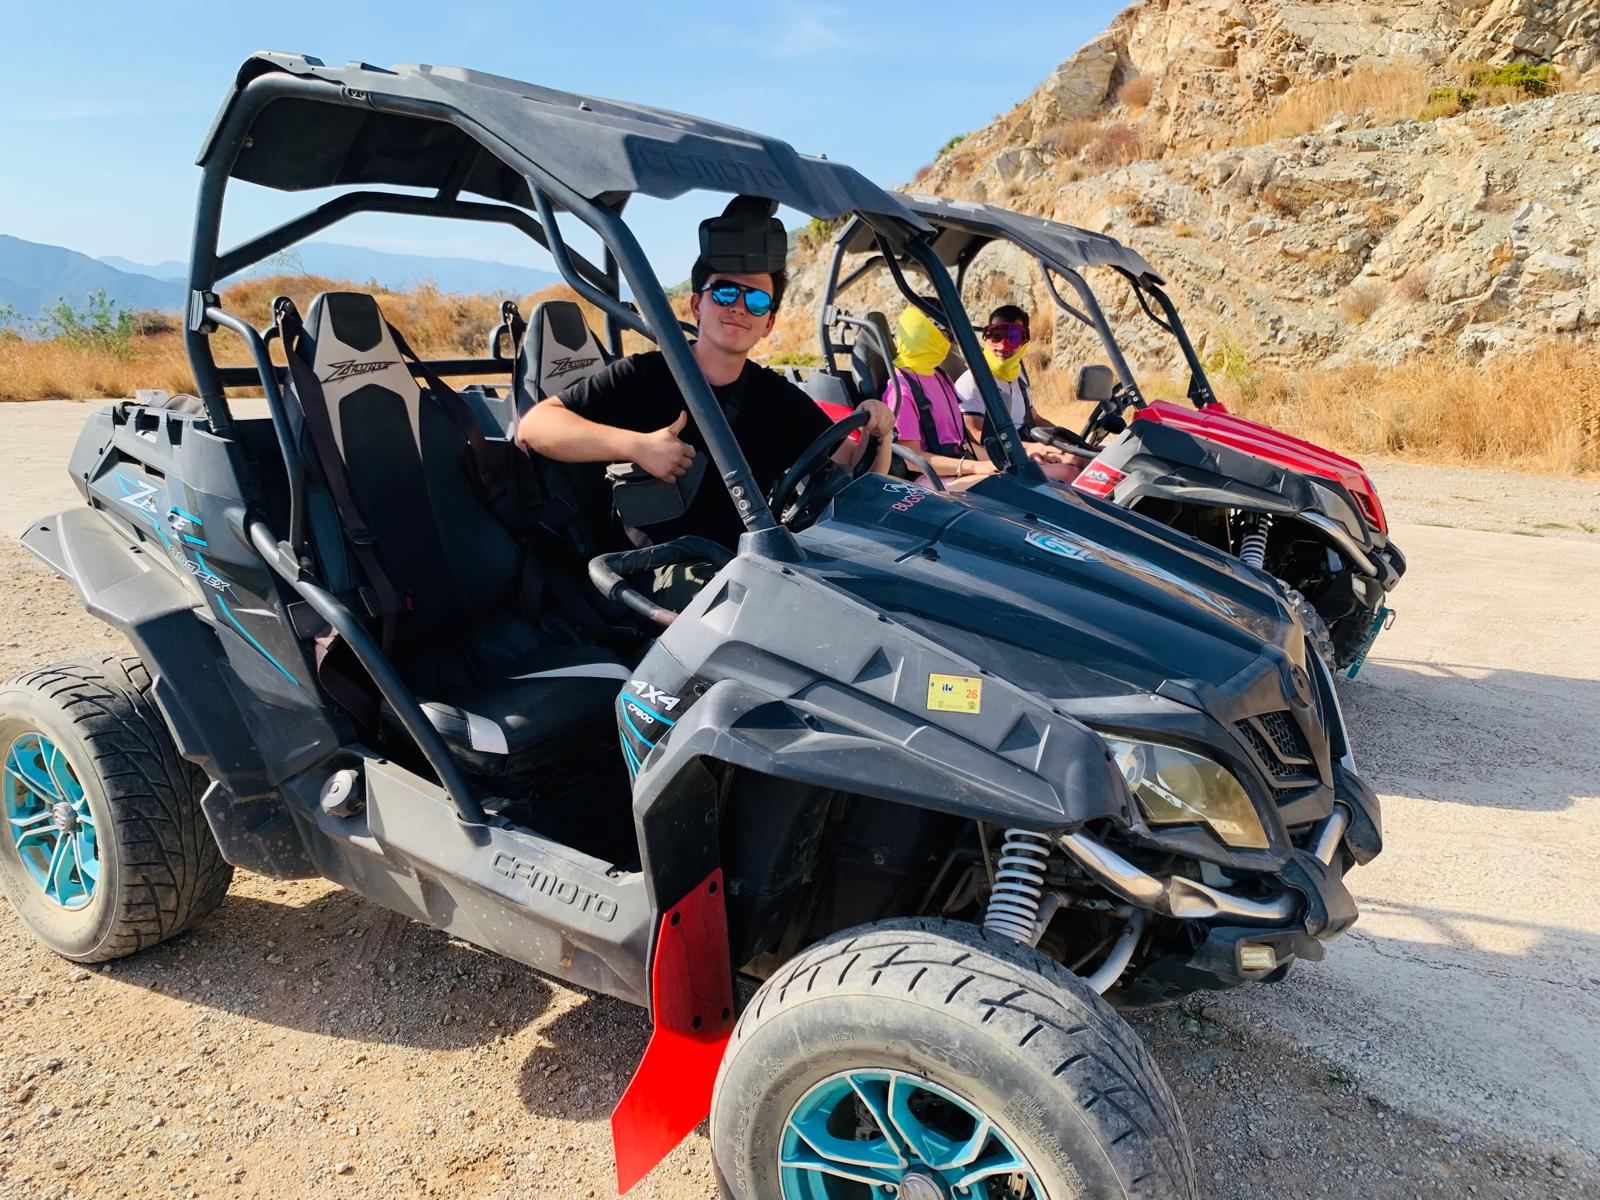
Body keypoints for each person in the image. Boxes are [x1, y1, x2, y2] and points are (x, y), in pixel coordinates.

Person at [518, 196, 895, 569]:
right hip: (654, 570)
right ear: (697, 305)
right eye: (726, 292)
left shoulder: (776, 398)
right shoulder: (644, 375)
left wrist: (880, 428)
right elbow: (535, 425)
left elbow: (852, 471)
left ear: (768, 324)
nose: (739, 307)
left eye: (757, 302)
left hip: (746, 567)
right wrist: (637, 446)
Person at [955, 304, 1079, 483]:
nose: (1002, 345)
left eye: (1013, 337)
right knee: (1071, 471)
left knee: (1087, 457)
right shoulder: (972, 382)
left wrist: (1064, 440)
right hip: (1000, 459)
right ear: (986, 337)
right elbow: (976, 434)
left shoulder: (1017, 376)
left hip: (1024, 447)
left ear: (1024, 340)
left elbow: (1034, 418)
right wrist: (1026, 448)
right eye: (996, 336)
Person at [880, 301, 994, 491]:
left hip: (956, 468)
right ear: (924, 331)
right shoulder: (901, 388)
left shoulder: (940, 376)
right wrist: (974, 467)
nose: (948, 340)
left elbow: (960, 443)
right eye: (945, 332)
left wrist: (1001, 463)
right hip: (925, 481)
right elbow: (911, 459)